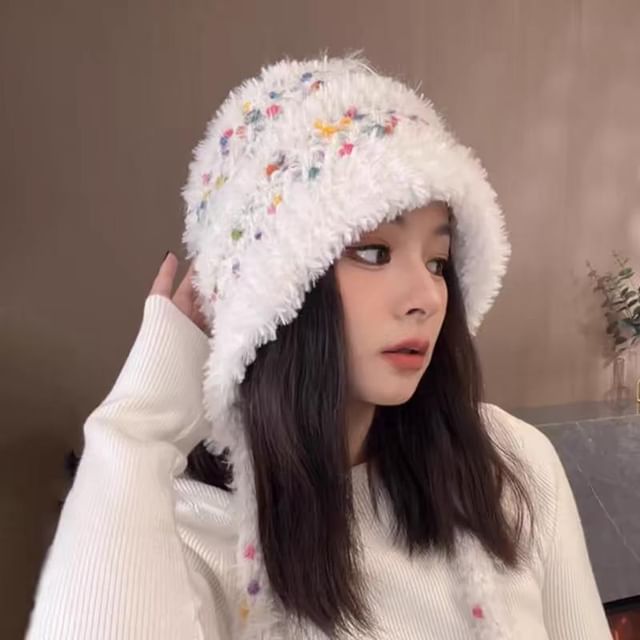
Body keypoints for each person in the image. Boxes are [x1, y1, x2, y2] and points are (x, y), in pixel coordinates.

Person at [26, 52, 611, 639]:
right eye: (374, 252)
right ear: (275, 285)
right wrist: (138, 423)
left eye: (439, 261)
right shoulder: (189, 536)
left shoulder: (511, 467)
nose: (427, 297)